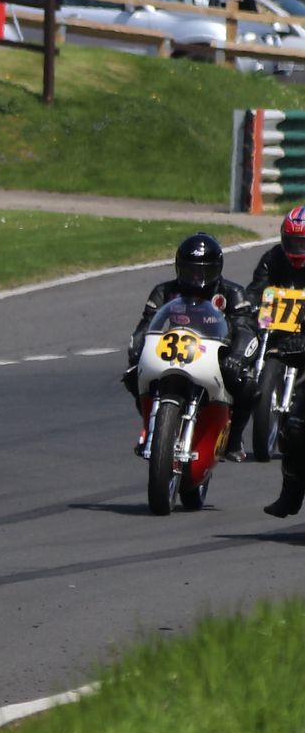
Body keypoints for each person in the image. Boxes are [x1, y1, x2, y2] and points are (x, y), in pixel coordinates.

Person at [124, 232, 259, 462]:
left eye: (204, 271)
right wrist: (136, 348)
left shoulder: (232, 293)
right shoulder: (163, 291)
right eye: (190, 270)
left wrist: (236, 357)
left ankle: (234, 439)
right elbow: (146, 324)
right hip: (172, 353)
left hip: (217, 357)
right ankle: (151, 426)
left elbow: (246, 328)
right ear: (179, 267)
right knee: (131, 376)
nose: (197, 277)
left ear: (217, 269)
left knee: (247, 386)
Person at [254, 210, 305, 513]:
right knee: (297, 428)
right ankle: (290, 495)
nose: (297, 250)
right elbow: (256, 289)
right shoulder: (272, 258)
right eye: (294, 241)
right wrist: (255, 303)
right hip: (280, 335)